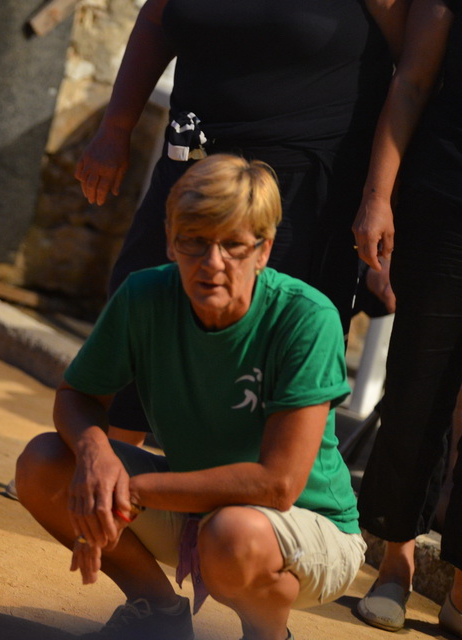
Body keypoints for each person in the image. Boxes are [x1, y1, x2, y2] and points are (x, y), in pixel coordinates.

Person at [15, 155, 365, 640]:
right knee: (44, 463)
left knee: (232, 535)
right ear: (169, 239)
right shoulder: (144, 295)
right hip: (201, 509)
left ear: (264, 249)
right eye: (194, 242)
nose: (212, 263)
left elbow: (277, 485)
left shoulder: (306, 317)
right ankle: (158, 615)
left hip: (309, 528)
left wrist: (130, 491)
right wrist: (95, 458)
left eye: (233, 245)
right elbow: (78, 394)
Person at [73, 0, 405, 447]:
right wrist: (115, 128)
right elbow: (156, 20)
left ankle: (232, 500)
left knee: (266, 345)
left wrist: (382, 197)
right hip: (192, 165)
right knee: (145, 306)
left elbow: (415, 78)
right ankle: (110, 477)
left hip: (300, 189)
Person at [350, 0, 462, 638]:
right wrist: (378, 198)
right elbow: (413, 80)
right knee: (418, 387)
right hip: (446, 202)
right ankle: (393, 565)